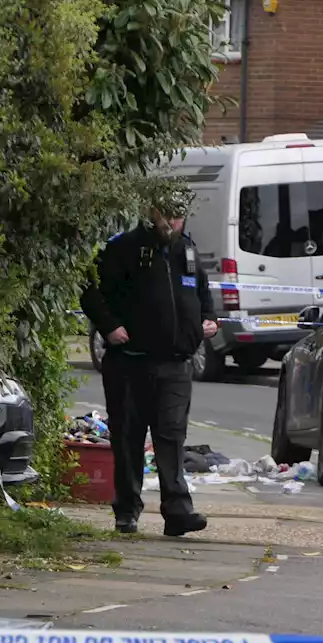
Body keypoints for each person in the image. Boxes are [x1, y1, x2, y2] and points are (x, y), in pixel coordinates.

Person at [79, 193, 218, 537]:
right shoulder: (123, 248)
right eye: (166, 216)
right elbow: (90, 290)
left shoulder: (185, 249)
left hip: (175, 364)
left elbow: (202, 292)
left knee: (171, 437)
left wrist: (208, 319)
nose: (172, 223)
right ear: (150, 213)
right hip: (130, 362)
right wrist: (109, 326)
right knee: (128, 438)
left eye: (178, 217)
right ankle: (127, 511)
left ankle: (178, 513)